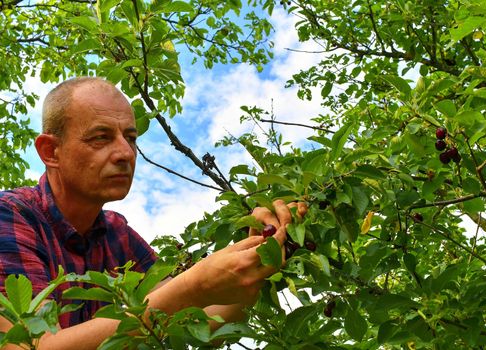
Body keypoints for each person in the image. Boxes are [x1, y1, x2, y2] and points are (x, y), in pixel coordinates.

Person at [0, 77, 307, 349]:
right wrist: (192, 287)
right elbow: (29, 346)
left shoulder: (117, 234)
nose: (125, 153)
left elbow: (199, 323)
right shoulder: (11, 215)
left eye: (130, 138)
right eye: (101, 137)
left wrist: (262, 258)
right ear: (50, 152)